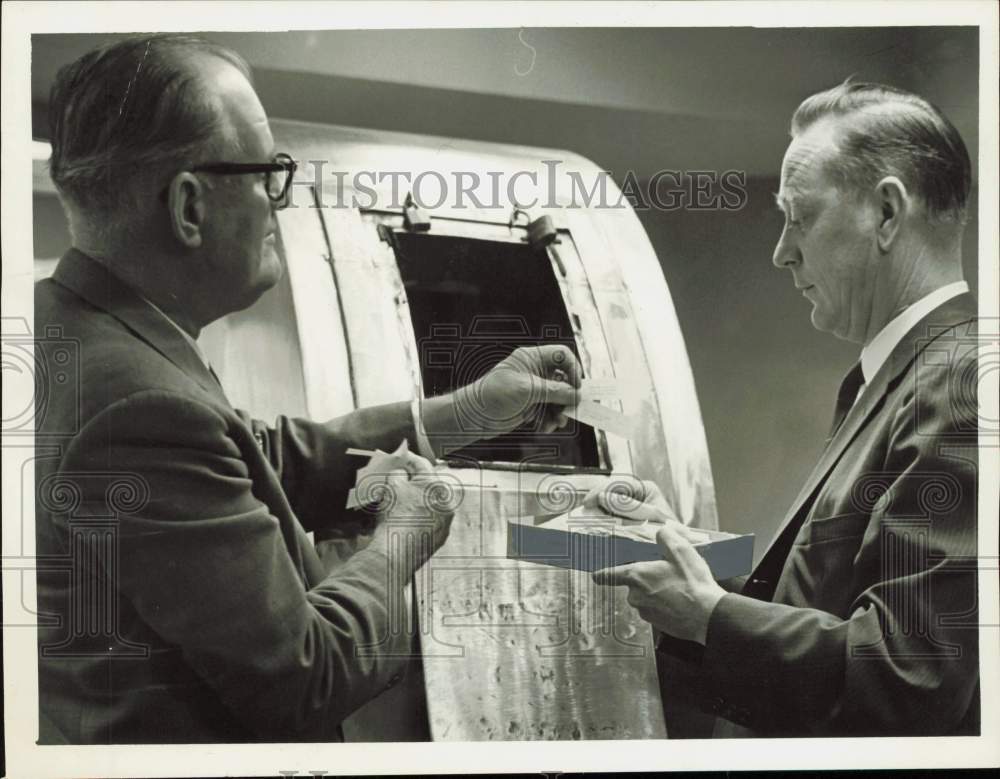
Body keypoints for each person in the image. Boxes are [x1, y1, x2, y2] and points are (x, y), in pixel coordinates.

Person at [34, 34, 581, 744]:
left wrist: (470, 409)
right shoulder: (136, 403)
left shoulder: (78, 334)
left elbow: (265, 459)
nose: (276, 201)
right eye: (266, 174)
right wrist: (404, 538)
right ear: (189, 207)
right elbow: (308, 677)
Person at [593, 81, 979, 737]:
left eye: (798, 215)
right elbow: (829, 594)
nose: (781, 250)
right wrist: (690, 554)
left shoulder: (959, 381)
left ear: (887, 213)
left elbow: (910, 677)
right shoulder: (897, 377)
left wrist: (710, 616)